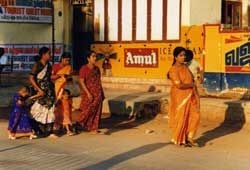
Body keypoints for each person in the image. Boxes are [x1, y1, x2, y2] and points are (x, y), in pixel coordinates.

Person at [168, 47, 200, 147]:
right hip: (179, 97)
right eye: (181, 55)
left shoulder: (185, 67)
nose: (183, 57)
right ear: (175, 57)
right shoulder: (173, 70)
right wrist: (192, 85)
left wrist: (195, 91)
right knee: (181, 118)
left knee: (195, 115)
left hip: (190, 95)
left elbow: (192, 80)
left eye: (184, 55)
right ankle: (179, 138)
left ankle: (189, 137)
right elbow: (179, 85)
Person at [29, 47, 57, 138]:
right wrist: (39, 90)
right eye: (49, 53)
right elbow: (31, 78)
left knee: (49, 110)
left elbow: (49, 77)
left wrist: (59, 76)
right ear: (43, 55)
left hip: (49, 91)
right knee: (37, 110)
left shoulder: (49, 65)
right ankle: (37, 130)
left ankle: (49, 132)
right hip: (40, 91)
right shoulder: (37, 64)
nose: (50, 55)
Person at [76, 50, 104, 134]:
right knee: (87, 110)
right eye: (93, 56)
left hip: (97, 92)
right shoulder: (84, 68)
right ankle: (78, 124)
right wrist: (88, 93)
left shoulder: (97, 69)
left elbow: (98, 81)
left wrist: (101, 93)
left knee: (97, 111)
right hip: (88, 93)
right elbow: (81, 81)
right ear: (88, 58)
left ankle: (94, 128)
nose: (95, 58)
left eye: (95, 56)